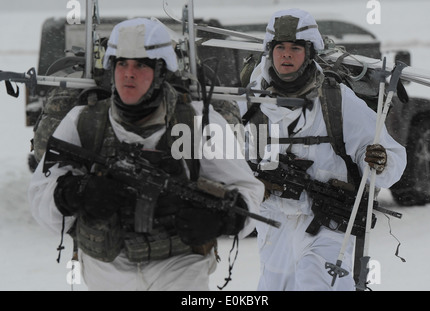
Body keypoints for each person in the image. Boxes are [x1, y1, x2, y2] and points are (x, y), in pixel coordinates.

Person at [27, 17, 264, 291]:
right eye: (121, 64)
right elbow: (41, 193)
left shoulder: (200, 122)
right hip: (107, 266)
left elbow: (248, 190)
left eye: (141, 64)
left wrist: (222, 219)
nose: (129, 73)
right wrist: (75, 193)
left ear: (161, 71)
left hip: (180, 265)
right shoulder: (84, 121)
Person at [239, 9, 407, 291]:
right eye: (280, 47)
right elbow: (231, 159)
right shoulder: (251, 102)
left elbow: (390, 155)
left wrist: (379, 162)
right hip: (273, 224)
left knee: (317, 283)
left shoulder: (336, 99)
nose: (287, 55)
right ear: (270, 51)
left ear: (310, 52)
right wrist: (255, 183)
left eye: (295, 48)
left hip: (326, 223)